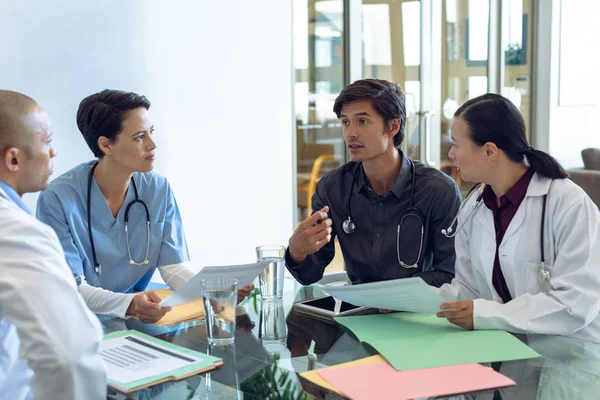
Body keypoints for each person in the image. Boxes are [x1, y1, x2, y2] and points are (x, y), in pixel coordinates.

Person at [36, 89, 253, 324]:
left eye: (151, 132)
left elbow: (173, 267)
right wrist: (129, 304)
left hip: (136, 318)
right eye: (140, 137)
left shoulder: (157, 188)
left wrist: (212, 290)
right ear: (106, 145)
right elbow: (69, 286)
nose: (153, 144)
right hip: (74, 322)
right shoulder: (57, 198)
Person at [436, 93, 600, 343]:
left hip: (570, 353)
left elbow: (576, 304)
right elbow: (469, 287)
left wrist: (488, 314)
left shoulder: (567, 204)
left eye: (457, 144)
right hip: (506, 348)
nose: (451, 154)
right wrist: (419, 299)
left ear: (490, 151)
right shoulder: (475, 205)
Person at [286, 79, 461, 286]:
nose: (350, 133)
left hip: (416, 311)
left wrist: (392, 297)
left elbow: (450, 273)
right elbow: (310, 275)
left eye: (362, 121)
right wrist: (297, 252)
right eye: (345, 122)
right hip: (356, 313)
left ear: (393, 126)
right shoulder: (332, 188)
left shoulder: (438, 190)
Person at [0, 90, 106, 399]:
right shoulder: (16, 232)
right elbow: (70, 357)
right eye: (47, 141)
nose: (54, 151)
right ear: (14, 158)